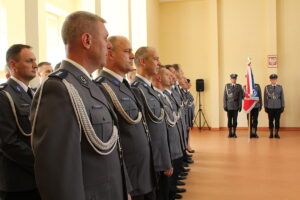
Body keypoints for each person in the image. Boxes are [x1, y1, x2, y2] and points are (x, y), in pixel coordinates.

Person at [30, 11, 128, 200]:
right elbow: (58, 173)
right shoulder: (58, 88)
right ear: (87, 40)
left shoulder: (90, 84)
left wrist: (125, 188)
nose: (109, 45)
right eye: (105, 38)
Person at [95, 36, 156, 200]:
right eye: (127, 51)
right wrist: (124, 184)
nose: (131, 56)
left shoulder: (124, 86)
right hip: (129, 177)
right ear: (110, 54)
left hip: (141, 173)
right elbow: (111, 142)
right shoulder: (102, 87)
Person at [131, 47, 173, 200]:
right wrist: (161, 161)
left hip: (156, 160)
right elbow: (147, 132)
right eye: (155, 59)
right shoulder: (136, 90)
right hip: (150, 162)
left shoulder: (149, 89)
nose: (159, 63)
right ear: (142, 61)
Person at [0, 44, 40, 199]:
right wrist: (40, 163)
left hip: (35, 179)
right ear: (13, 65)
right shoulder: (4, 96)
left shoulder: (34, 94)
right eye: (29, 61)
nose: (35, 65)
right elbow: (8, 142)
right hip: (17, 184)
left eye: (35, 60)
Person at [153, 66, 186, 200]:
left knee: (168, 183)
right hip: (164, 148)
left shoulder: (165, 95)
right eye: (168, 75)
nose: (172, 77)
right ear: (159, 78)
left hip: (172, 142)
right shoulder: (156, 96)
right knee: (163, 185)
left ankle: (172, 192)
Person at [264, 74, 285, 138]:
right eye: (272, 79)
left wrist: (283, 106)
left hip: (278, 106)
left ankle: (276, 133)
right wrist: (265, 106)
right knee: (270, 120)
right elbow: (265, 98)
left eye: (275, 79)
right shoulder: (267, 87)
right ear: (270, 80)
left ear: (276, 80)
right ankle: (271, 133)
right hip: (270, 107)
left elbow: (282, 97)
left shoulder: (280, 87)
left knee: (277, 120)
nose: (273, 80)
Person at [223, 74, 243, 138]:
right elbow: (225, 97)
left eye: (234, 79)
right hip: (229, 105)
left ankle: (234, 133)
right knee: (229, 120)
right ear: (230, 79)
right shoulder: (227, 86)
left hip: (236, 105)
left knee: (235, 120)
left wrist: (240, 106)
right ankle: (230, 133)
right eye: (232, 79)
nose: (233, 80)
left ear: (236, 79)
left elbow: (240, 97)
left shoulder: (239, 86)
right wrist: (225, 105)